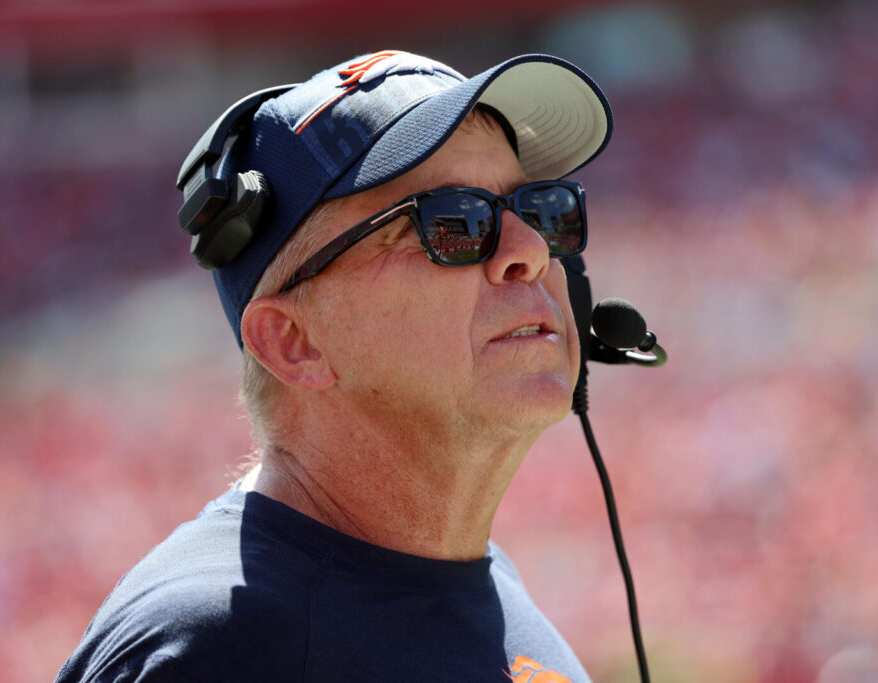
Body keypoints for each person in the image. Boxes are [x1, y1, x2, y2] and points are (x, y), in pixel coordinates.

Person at [57, 49, 613, 682]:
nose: (531, 251)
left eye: (542, 210)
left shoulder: (490, 585)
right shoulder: (216, 647)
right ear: (294, 342)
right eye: (452, 221)